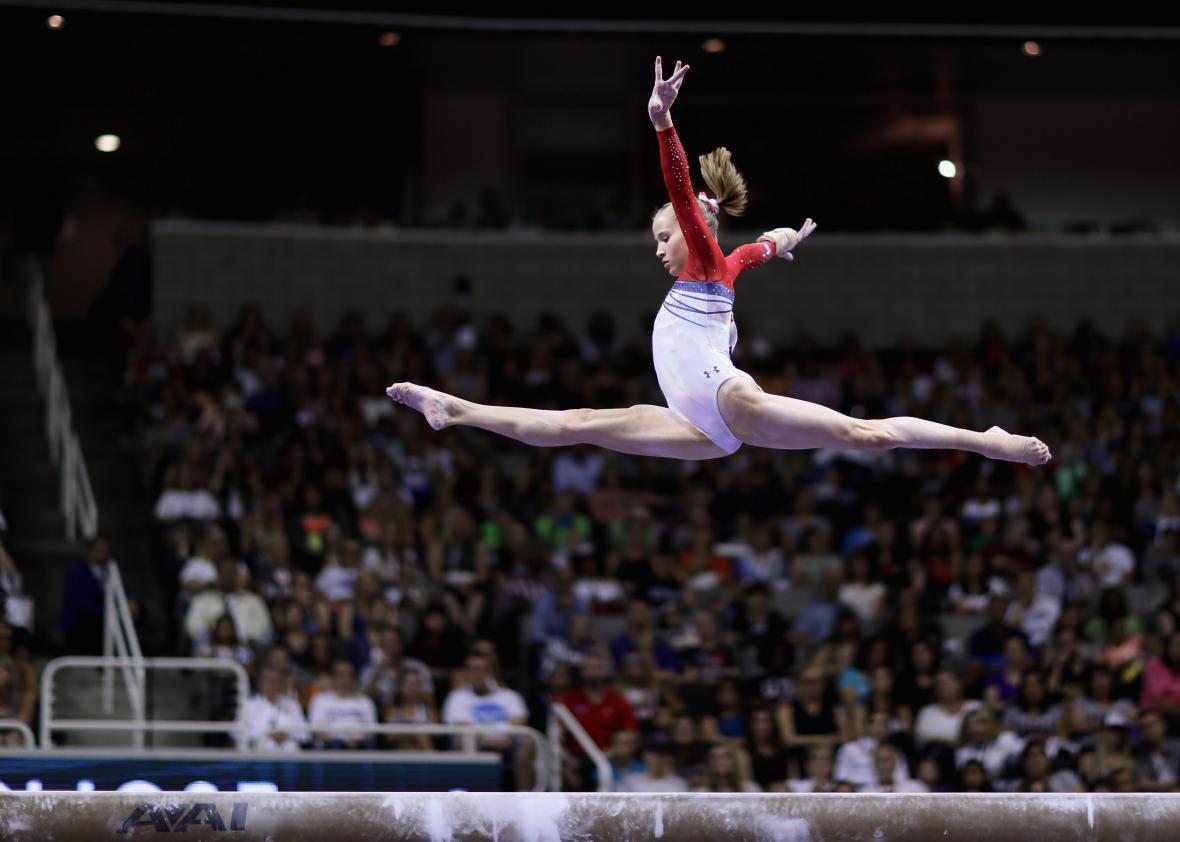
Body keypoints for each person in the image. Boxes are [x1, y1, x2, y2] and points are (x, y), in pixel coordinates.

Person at [386, 57, 1051, 468]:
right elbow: (758, 250)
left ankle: (986, 440)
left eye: (662, 236)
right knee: (578, 425)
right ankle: (454, 408)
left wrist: (662, 122)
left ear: (693, 230)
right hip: (700, 427)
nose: (658, 247)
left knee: (864, 435)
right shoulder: (721, 267)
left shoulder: (704, 260)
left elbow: (686, 194)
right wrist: (784, 240)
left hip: (728, 399)